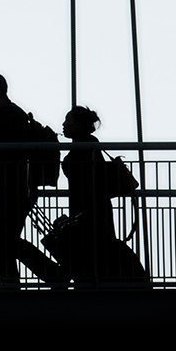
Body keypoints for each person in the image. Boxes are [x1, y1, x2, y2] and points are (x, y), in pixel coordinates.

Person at [0, 73, 64, 287]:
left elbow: (21, 154)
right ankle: (19, 282)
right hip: (8, 186)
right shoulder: (4, 114)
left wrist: (22, 190)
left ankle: (44, 276)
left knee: (0, 241)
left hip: (13, 187)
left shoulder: (9, 115)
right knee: (1, 241)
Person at [60, 106, 117, 286]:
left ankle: (89, 284)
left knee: (88, 249)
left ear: (78, 125)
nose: (63, 124)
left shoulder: (85, 146)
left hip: (88, 209)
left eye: (68, 120)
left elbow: (78, 174)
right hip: (94, 207)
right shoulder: (89, 144)